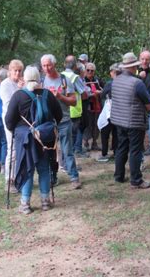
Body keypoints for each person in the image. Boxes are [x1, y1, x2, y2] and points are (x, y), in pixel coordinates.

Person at [5, 66, 63, 214]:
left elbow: (9, 121)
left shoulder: (18, 96)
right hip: (45, 138)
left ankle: (25, 204)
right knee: (44, 169)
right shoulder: (47, 95)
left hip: (26, 139)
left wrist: (17, 129)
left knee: (27, 169)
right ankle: (45, 202)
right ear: (39, 78)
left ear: (24, 78)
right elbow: (59, 115)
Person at [110, 52, 150, 189]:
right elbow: (149, 104)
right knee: (135, 150)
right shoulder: (137, 83)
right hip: (134, 122)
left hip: (118, 121)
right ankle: (136, 180)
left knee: (121, 148)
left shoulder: (115, 80)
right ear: (134, 67)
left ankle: (119, 176)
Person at [41, 54, 82, 189]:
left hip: (64, 120)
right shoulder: (41, 81)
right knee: (50, 151)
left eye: (49, 65)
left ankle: (74, 177)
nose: (46, 68)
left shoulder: (64, 80)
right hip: (47, 122)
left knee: (67, 150)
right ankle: (53, 177)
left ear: (54, 64)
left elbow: (74, 101)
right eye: (44, 65)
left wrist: (59, 96)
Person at [0, 59, 24, 191]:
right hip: (10, 120)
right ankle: (9, 180)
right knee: (12, 149)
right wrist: (20, 91)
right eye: (15, 70)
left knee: (21, 149)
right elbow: (10, 104)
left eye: (20, 71)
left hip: (22, 120)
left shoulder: (22, 83)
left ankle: (19, 176)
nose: (18, 73)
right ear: (10, 71)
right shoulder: (5, 84)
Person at [61, 56, 89, 158]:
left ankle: (64, 161)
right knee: (72, 136)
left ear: (65, 64)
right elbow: (84, 94)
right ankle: (70, 160)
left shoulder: (61, 75)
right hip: (74, 109)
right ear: (75, 65)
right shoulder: (74, 77)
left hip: (62, 110)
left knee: (65, 137)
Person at [97, 63, 119, 162]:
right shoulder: (124, 82)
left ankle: (104, 153)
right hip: (120, 111)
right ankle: (116, 152)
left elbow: (102, 95)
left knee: (105, 132)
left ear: (113, 72)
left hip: (110, 111)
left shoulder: (110, 83)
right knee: (116, 132)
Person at [84, 62, 103, 151]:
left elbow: (104, 89)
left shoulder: (97, 80)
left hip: (97, 104)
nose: (90, 72)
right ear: (85, 70)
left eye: (92, 70)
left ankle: (94, 142)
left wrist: (99, 92)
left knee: (96, 123)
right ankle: (86, 142)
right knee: (88, 123)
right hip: (88, 104)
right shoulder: (82, 80)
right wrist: (92, 94)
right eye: (88, 70)